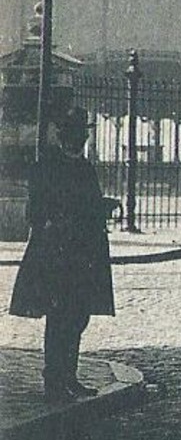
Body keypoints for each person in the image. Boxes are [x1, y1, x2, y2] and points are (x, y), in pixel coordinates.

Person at [9, 105, 115, 401]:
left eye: (80, 136)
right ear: (62, 137)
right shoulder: (47, 167)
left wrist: (104, 206)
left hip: (83, 257)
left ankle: (69, 376)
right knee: (59, 317)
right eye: (72, 135)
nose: (77, 141)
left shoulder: (84, 167)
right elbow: (36, 211)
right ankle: (54, 380)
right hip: (55, 256)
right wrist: (61, 218)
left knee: (78, 316)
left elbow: (90, 204)